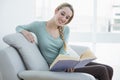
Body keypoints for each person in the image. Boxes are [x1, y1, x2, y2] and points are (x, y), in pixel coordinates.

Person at [16, 2, 113, 80]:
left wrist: (67, 62)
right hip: (57, 67)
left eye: (67, 17)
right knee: (102, 70)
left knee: (109, 69)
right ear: (56, 11)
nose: (63, 18)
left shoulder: (66, 29)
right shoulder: (38, 26)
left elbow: (64, 48)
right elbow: (18, 27)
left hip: (67, 63)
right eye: (62, 14)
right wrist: (24, 32)